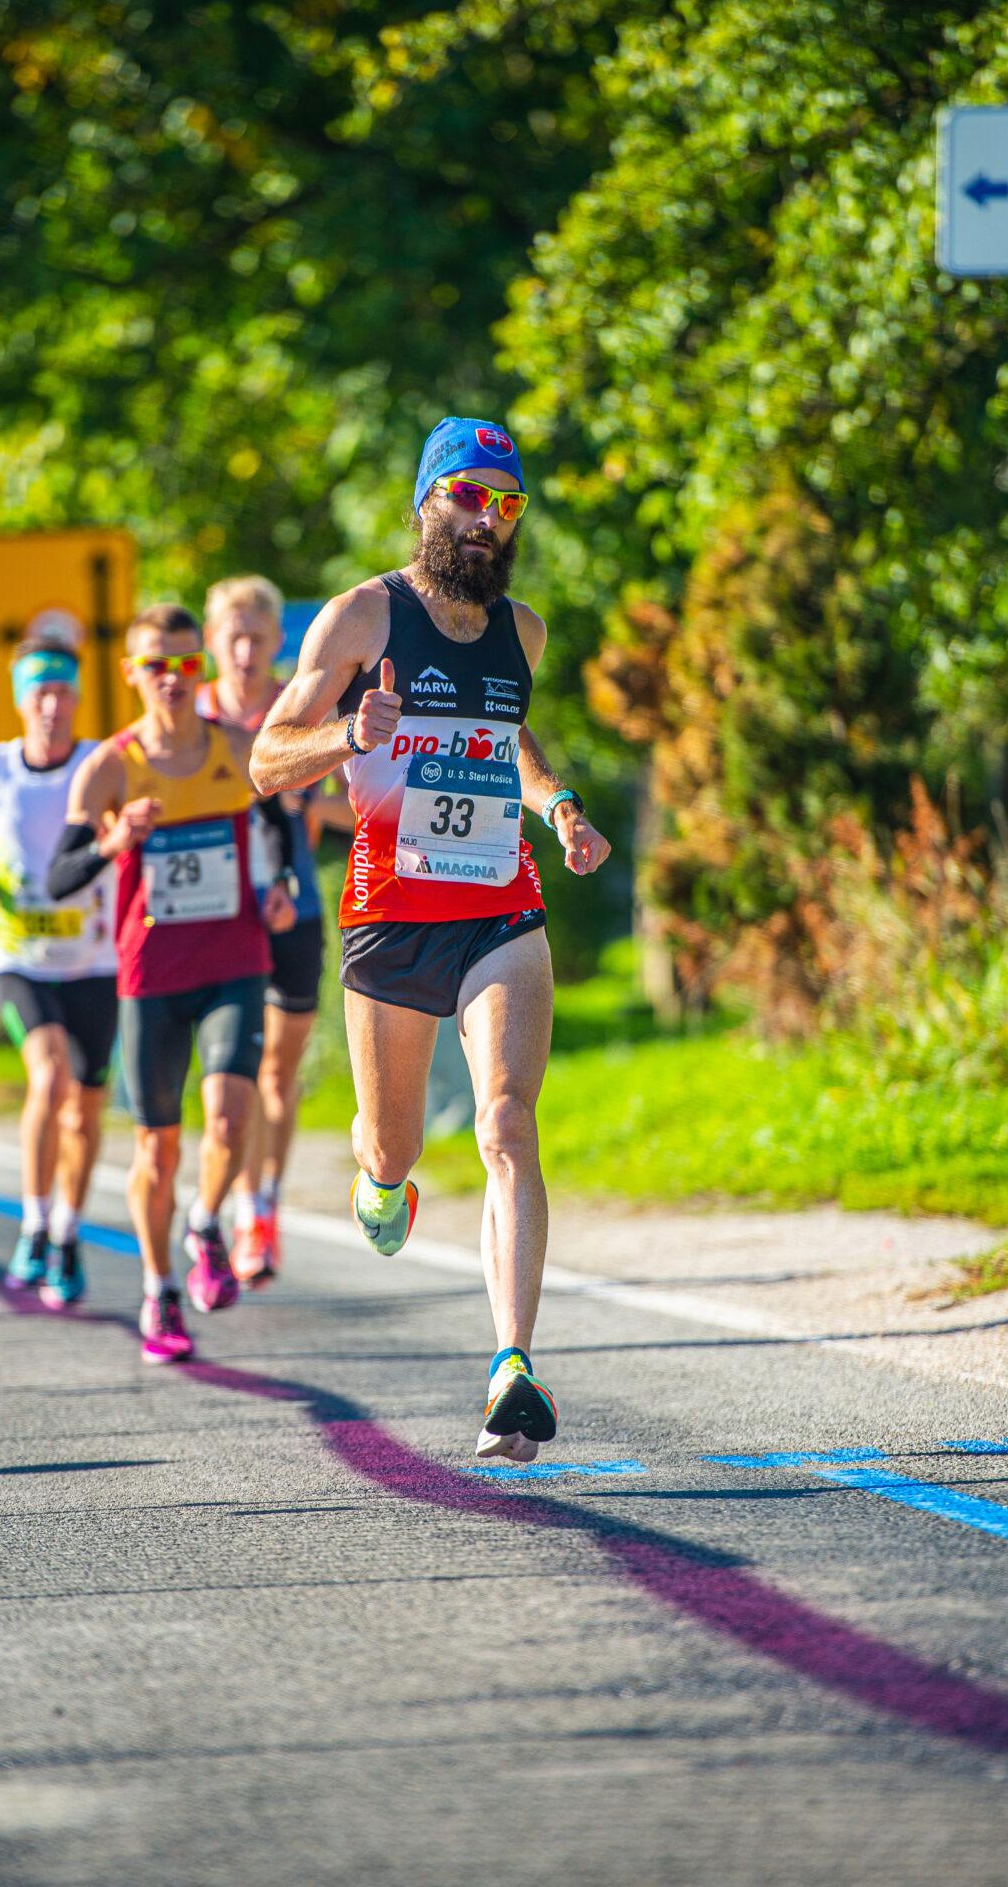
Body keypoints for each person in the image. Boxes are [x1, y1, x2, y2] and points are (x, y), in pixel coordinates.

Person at [250, 416, 611, 1462]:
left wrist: (560, 807)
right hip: (390, 920)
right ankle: (378, 1177)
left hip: (499, 908)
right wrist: (342, 736)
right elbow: (267, 762)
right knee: (394, 1144)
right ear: (426, 503)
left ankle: (513, 1369)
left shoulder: (523, 631)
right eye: (467, 496)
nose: (487, 520)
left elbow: (512, 742)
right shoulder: (363, 617)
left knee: (506, 1122)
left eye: (507, 503)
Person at [47, 603, 295, 1365]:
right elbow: (59, 876)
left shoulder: (239, 747)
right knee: (156, 1154)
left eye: (188, 662)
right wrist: (116, 838)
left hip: (234, 960)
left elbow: (279, 819)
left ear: (204, 668)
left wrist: (281, 881)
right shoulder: (111, 767)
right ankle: (159, 1290)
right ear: (132, 674)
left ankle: (208, 1223)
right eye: (157, 664)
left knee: (228, 1117)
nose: (174, 678)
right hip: (149, 974)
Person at [0, 638, 117, 1307]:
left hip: (95, 961)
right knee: (50, 1078)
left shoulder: (98, 764)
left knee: (86, 1111)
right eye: (38, 692)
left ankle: (67, 1234)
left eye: (62, 692)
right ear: (20, 700)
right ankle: (35, 1222)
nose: (50, 705)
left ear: (75, 698)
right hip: (20, 962)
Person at [200, 574, 352, 1286]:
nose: (244, 649)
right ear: (212, 642)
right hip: (213, 917)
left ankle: (263, 1204)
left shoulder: (304, 707)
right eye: (233, 635)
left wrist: (312, 811)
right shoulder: (191, 714)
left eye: (258, 637)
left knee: (276, 1072)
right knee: (228, 1077)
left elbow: (365, 809)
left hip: (295, 912)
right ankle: (236, 1207)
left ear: (275, 644)